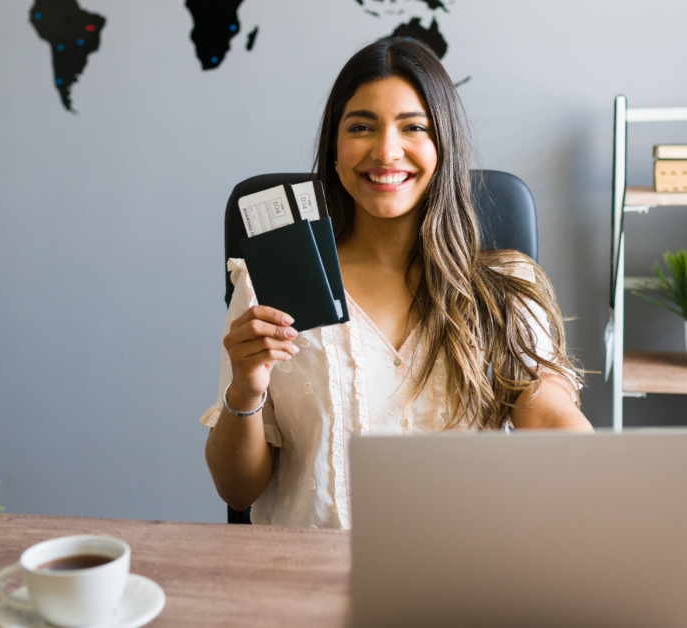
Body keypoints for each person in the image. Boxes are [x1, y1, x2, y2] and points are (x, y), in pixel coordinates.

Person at [200, 37, 591, 528]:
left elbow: (550, 415)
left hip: (466, 578)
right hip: (304, 583)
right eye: (361, 127)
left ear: (442, 147)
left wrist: (599, 478)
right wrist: (246, 388)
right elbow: (238, 490)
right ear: (335, 153)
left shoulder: (505, 288)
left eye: (414, 128)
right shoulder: (269, 289)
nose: (386, 151)